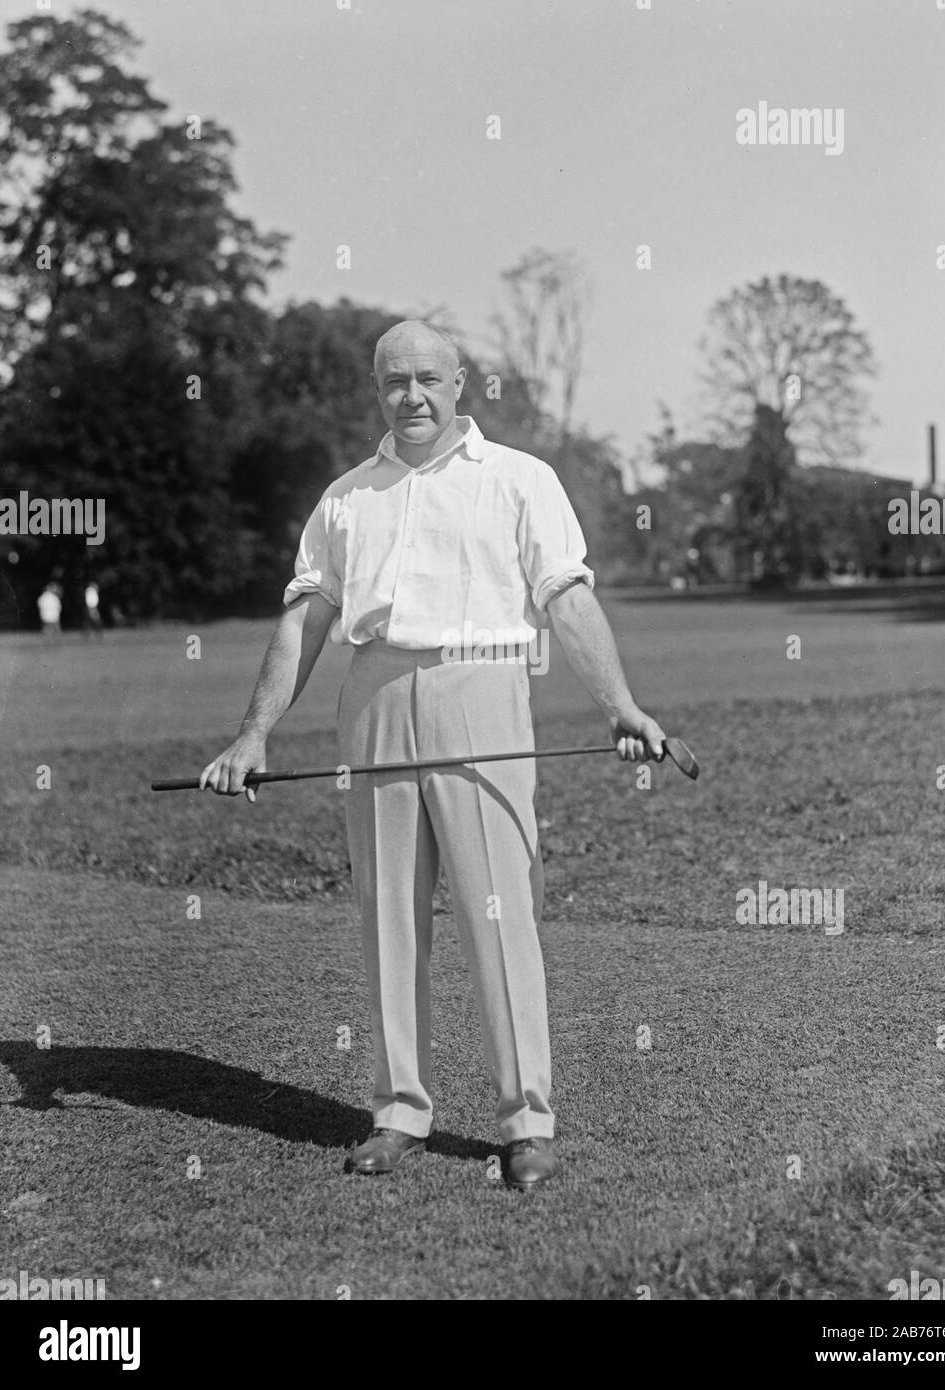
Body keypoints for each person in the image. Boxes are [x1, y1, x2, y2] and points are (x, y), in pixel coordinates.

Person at [200, 320, 666, 1191]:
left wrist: (619, 705)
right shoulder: (346, 497)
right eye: (391, 382)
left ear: (461, 386)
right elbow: (304, 621)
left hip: (480, 691)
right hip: (372, 699)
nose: (409, 396)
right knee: (387, 913)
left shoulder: (522, 480)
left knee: (498, 915)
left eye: (426, 379)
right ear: (375, 390)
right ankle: (398, 1111)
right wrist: (253, 731)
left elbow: (564, 599)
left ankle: (527, 1123)